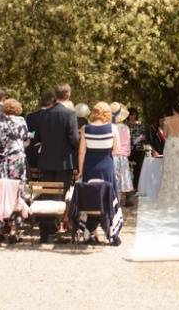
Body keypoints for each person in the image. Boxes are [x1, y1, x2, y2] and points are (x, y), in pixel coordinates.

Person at [32, 85, 80, 242]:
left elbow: (37, 137)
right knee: (58, 197)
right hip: (64, 161)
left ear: (55, 95)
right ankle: (52, 233)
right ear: (69, 95)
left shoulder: (44, 114)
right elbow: (74, 138)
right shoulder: (70, 114)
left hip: (46, 160)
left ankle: (44, 232)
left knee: (46, 195)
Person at [0, 98, 29, 242]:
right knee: (16, 193)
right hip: (16, 161)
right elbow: (25, 138)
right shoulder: (21, 121)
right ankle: (13, 231)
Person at [78, 102, 119, 195]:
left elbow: (81, 151)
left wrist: (81, 170)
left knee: (90, 194)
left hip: (90, 166)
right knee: (107, 194)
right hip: (107, 166)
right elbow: (117, 149)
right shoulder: (113, 128)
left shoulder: (85, 128)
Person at [110, 102, 135, 207]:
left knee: (114, 181)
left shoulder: (109, 127)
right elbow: (128, 143)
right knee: (122, 180)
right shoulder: (126, 128)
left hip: (112, 156)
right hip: (123, 157)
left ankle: (115, 204)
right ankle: (119, 204)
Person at [25, 92, 55, 172]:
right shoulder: (53, 117)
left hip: (32, 156)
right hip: (49, 158)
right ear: (52, 104)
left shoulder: (30, 117)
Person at [127, 107, 146, 191]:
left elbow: (144, 135)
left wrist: (143, 138)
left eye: (134, 114)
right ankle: (128, 185)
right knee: (129, 167)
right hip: (129, 148)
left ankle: (136, 185)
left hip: (139, 148)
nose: (133, 116)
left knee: (137, 168)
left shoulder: (141, 125)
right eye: (131, 114)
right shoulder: (126, 125)